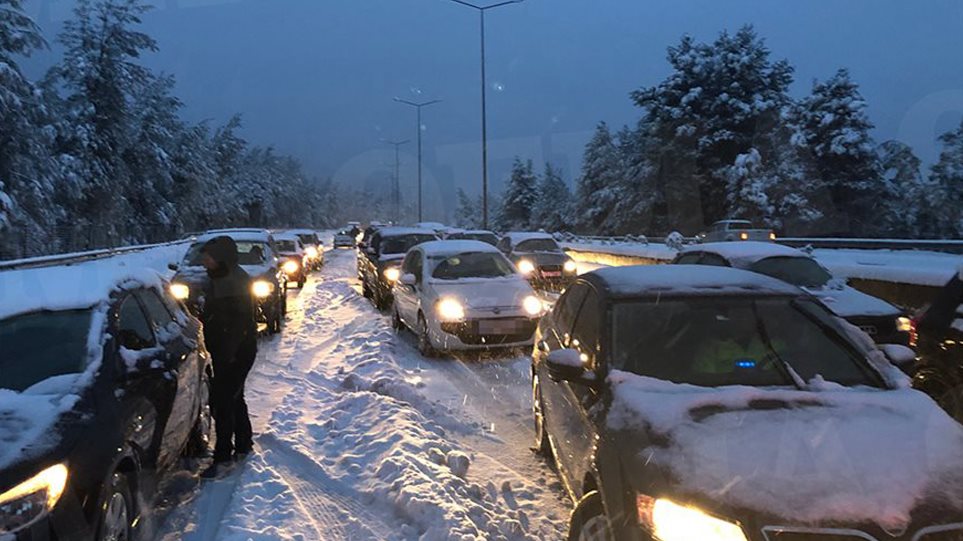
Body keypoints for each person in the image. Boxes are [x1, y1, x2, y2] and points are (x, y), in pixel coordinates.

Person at [198, 236, 258, 478]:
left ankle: (223, 457)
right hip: (231, 350)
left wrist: (227, 355)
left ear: (220, 257)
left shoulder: (232, 282)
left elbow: (238, 323)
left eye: (208, 258)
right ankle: (244, 443)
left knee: (222, 402)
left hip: (234, 352)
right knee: (234, 397)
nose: (204, 262)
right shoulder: (221, 277)